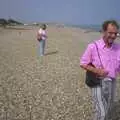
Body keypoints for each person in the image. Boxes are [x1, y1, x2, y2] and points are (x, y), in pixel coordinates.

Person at [80, 20, 120, 120]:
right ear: (103, 31)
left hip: (112, 82)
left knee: (108, 108)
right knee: (101, 112)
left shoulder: (118, 48)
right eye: (110, 33)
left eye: (115, 33)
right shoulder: (93, 46)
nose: (113, 36)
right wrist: (97, 71)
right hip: (97, 82)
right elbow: (83, 63)